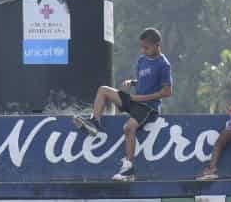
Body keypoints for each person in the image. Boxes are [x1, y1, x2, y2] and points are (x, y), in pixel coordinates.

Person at [74, 27, 173, 182]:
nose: (143, 50)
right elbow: (145, 80)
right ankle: (95, 122)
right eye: (142, 47)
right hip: (135, 100)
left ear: (157, 45)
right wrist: (133, 82)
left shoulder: (163, 64)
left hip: (149, 107)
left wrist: (142, 98)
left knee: (128, 128)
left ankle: (129, 169)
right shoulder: (141, 60)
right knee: (103, 90)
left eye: (146, 47)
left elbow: (167, 92)